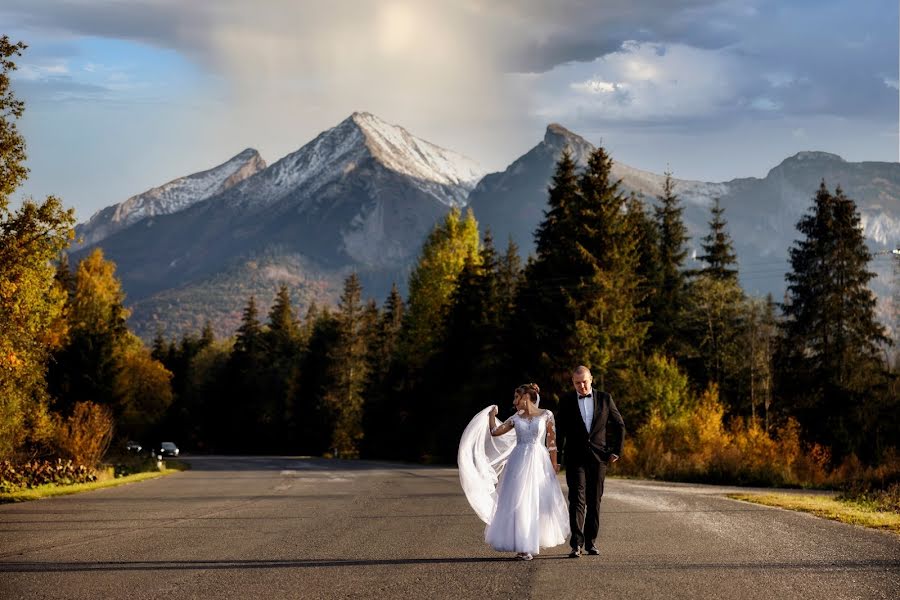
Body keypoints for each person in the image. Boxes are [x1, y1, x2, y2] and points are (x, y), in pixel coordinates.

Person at [458, 383, 569, 561]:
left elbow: (552, 443)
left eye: (517, 397)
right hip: (518, 462)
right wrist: (492, 416)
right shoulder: (515, 418)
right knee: (519, 501)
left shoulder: (546, 415)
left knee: (537, 501)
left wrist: (554, 464)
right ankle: (523, 546)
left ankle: (531, 542)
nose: (514, 401)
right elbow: (495, 432)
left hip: (539, 462)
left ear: (526, 397)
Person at [556, 365, 625, 558]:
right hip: (574, 457)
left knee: (594, 501)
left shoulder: (605, 398)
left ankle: (590, 543)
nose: (582, 386)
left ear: (591, 379)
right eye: (577, 383)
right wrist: (557, 457)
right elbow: (559, 430)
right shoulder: (566, 400)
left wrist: (615, 451)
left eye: (584, 382)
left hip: (598, 458)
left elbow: (619, 425)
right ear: (573, 383)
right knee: (576, 500)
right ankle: (575, 544)